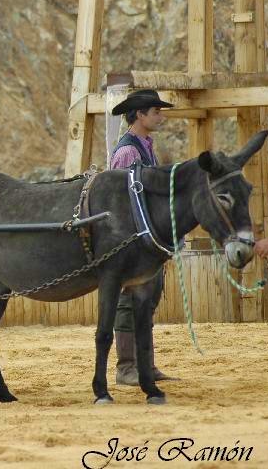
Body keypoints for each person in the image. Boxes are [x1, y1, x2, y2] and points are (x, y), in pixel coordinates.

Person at [109, 89, 178, 386]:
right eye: (156, 112)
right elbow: (121, 200)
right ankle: (127, 368)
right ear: (140, 115)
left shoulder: (144, 146)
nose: (160, 117)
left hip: (145, 239)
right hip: (131, 239)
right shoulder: (129, 151)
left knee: (147, 300)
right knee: (128, 302)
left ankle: (145, 365)